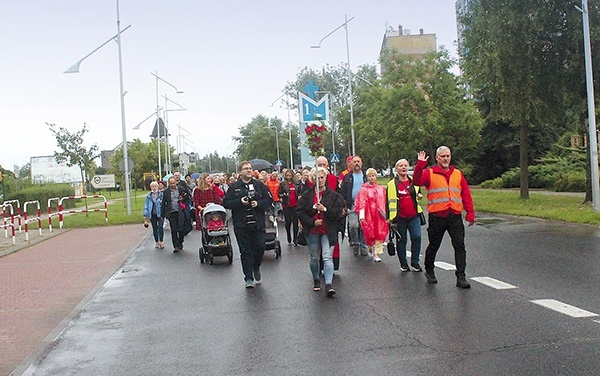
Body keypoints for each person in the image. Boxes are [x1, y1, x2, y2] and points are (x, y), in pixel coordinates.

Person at [413, 146, 475, 288]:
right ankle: (429, 270)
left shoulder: (458, 174)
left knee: (459, 245)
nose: (446, 159)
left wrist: (470, 212)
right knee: (434, 245)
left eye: (447, 156)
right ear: (437, 158)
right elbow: (416, 181)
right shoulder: (430, 173)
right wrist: (420, 165)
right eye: (443, 156)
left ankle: (461, 276)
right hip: (437, 216)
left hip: (454, 215)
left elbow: (465, 193)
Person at [223, 161, 273, 289]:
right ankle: (248, 277)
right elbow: (226, 203)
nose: (249, 170)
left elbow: (269, 200)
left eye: (250, 168)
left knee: (260, 247)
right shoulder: (234, 187)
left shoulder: (259, 185)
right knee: (245, 251)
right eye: (245, 169)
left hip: (257, 224)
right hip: (241, 225)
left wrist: (259, 204)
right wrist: (240, 202)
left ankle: (256, 266)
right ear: (240, 172)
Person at [297, 167, 345, 297]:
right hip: (312, 231)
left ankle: (329, 284)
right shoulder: (307, 196)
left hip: (328, 231)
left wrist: (325, 209)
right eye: (317, 178)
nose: (320, 180)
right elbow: (300, 212)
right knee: (314, 257)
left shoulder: (334, 196)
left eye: (322, 177)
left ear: (326, 178)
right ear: (313, 180)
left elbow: (338, 213)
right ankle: (316, 279)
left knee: (327, 257)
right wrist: (312, 221)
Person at [387, 159, 424, 272]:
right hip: (399, 217)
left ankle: (415, 261)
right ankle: (403, 264)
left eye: (406, 166)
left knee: (417, 237)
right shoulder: (391, 184)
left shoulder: (414, 181)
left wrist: (419, 195)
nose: (404, 168)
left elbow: (418, 193)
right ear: (396, 169)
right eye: (401, 166)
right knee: (402, 240)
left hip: (414, 215)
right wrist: (389, 218)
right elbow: (387, 202)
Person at [355, 168, 389, 262]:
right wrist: (362, 216)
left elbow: (384, 202)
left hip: (379, 216)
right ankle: (370, 246)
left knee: (379, 233)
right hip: (369, 215)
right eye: (369, 176)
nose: (371, 178)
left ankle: (377, 253)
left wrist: (386, 215)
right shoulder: (363, 190)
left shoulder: (381, 189)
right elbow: (361, 203)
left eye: (373, 176)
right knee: (370, 233)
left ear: (376, 176)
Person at [340, 155, 368, 256]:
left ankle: (363, 245)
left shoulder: (366, 176)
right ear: (351, 164)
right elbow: (342, 192)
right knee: (353, 226)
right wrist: (344, 205)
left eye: (358, 161)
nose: (356, 163)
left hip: (365, 207)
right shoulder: (347, 177)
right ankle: (355, 243)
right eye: (354, 162)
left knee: (363, 226)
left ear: (361, 163)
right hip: (352, 205)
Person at [161, 177, 193, 252]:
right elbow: (163, 203)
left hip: (180, 211)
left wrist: (183, 198)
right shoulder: (166, 192)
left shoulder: (181, 189)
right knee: (174, 229)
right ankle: (176, 245)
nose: (172, 185)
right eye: (171, 183)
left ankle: (180, 241)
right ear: (169, 183)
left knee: (181, 229)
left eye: (174, 183)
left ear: (176, 183)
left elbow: (188, 195)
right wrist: (163, 215)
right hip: (171, 212)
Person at [278, 169, 299, 245]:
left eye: (290, 176)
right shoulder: (282, 184)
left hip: (295, 205)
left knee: (295, 222)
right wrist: (283, 195)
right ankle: (288, 235)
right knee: (288, 221)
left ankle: (295, 238)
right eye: (287, 176)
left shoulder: (296, 183)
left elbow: (299, 192)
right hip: (286, 205)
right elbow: (279, 194)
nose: (288, 177)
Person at [143, 181, 164, 249]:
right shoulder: (149, 196)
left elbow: (164, 204)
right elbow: (146, 206)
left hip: (160, 214)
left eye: (155, 186)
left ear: (157, 187)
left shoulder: (161, 195)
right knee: (154, 228)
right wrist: (145, 215)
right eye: (152, 186)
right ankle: (156, 241)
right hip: (152, 214)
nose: (154, 188)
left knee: (160, 227)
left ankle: (161, 241)